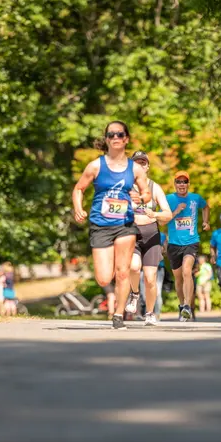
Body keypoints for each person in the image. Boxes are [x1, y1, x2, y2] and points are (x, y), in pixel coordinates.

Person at [72, 121, 151, 330]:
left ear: (126, 138)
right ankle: (115, 271)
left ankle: (118, 315)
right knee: (104, 278)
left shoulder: (135, 168)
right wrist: (78, 208)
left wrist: (141, 197)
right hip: (100, 224)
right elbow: (79, 188)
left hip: (124, 224)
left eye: (120, 134)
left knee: (123, 272)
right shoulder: (96, 165)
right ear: (106, 139)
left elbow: (146, 192)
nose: (115, 137)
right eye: (111, 134)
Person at [125, 151, 172, 326]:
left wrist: (156, 214)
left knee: (151, 278)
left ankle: (150, 313)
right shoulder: (126, 188)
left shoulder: (155, 188)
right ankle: (135, 294)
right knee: (134, 267)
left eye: (143, 163)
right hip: (132, 234)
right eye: (137, 163)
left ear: (148, 166)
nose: (140, 166)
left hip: (152, 235)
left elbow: (167, 214)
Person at [165, 171, 210, 321]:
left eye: (185, 182)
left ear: (188, 184)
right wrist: (176, 211)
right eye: (179, 182)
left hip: (191, 242)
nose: (182, 184)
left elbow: (206, 207)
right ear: (175, 184)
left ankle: (187, 306)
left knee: (187, 271)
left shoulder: (196, 198)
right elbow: (161, 221)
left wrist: (205, 221)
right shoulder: (168, 199)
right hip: (173, 244)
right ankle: (181, 305)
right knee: (178, 279)